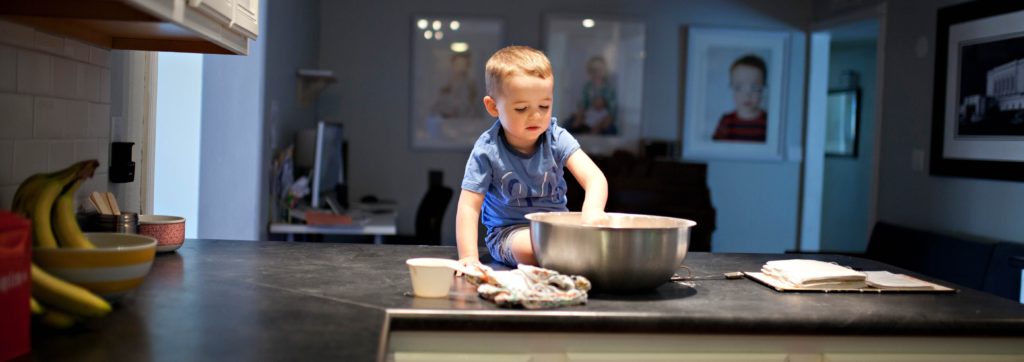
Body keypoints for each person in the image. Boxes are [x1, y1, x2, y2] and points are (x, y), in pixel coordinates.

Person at [456, 46, 609, 268]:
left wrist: (593, 210)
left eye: (544, 106)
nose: (536, 115)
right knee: (534, 249)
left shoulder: (555, 137)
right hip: (510, 233)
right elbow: (469, 207)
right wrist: (468, 257)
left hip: (558, 229)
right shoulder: (487, 150)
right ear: (493, 106)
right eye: (521, 108)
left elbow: (594, 178)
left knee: (600, 239)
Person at [713, 54, 768, 142]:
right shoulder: (727, 121)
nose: (747, 95)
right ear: (731, 89)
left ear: (764, 89)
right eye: (739, 87)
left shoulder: (768, 121)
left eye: (754, 88)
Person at [566, 56, 618, 135]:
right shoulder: (587, 88)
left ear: (604, 71)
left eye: (599, 70)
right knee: (569, 124)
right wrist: (579, 117)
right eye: (593, 70)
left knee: (610, 130)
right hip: (588, 118)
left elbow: (612, 111)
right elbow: (583, 105)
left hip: (603, 120)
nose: (596, 73)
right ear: (589, 72)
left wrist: (601, 124)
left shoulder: (609, 89)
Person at [431, 52, 481, 119]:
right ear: (452, 65)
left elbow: (474, 107)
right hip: (446, 122)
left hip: (466, 122)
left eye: (463, 65)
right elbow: (437, 106)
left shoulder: (471, 85)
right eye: (457, 64)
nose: (460, 68)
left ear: (467, 67)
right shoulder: (446, 84)